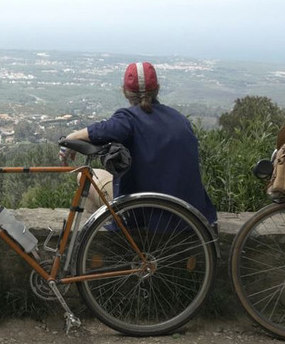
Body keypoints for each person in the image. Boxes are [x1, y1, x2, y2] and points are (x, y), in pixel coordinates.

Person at [63, 61, 217, 226]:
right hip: (189, 218)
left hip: (145, 217)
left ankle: (107, 242)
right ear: (157, 88)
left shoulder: (128, 119)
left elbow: (100, 130)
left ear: (125, 92)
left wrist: (71, 137)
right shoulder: (180, 120)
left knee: (85, 176)